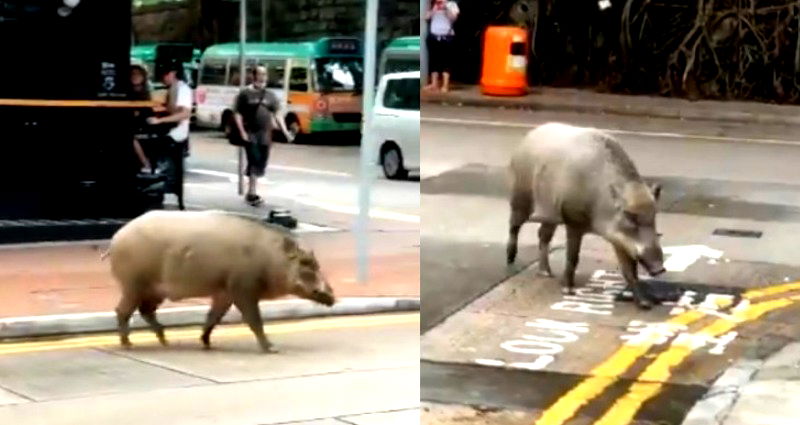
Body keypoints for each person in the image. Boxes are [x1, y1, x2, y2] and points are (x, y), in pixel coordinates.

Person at [147, 62, 193, 210]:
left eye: (165, 75)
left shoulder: (182, 89)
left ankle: (154, 180)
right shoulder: (171, 89)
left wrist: (160, 120)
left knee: (168, 165)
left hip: (175, 135)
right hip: (170, 132)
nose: (163, 78)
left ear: (173, 73)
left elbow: (184, 113)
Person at [232, 65, 279, 206]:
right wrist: (242, 132)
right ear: (254, 76)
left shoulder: (270, 95)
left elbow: (277, 113)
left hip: (265, 134)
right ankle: (251, 193)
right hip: (251, 132)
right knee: (254, 159)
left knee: (261, 162)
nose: (263, 77)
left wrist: (285, 131)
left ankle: (252, 190)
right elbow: (237, 113)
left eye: (264, 74)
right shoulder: (245, 93)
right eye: (260, 74)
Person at [425, 0, 459, 92]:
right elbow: (427, 17)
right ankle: (434, 84)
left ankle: (445, 85)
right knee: (433, 60)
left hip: (447, 36)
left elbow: (454, 18)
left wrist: (446, 8)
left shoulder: (452, 5)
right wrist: (434, 9)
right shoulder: (433, 5)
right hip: (433, 35)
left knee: (446, 61)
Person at [130, 64, 152, 173]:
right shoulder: (126, 92)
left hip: (143, 122)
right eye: (132, 74)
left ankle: (145, 162)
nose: (135, 76)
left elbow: (147, 111)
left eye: (138, 74)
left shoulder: (146, 92)